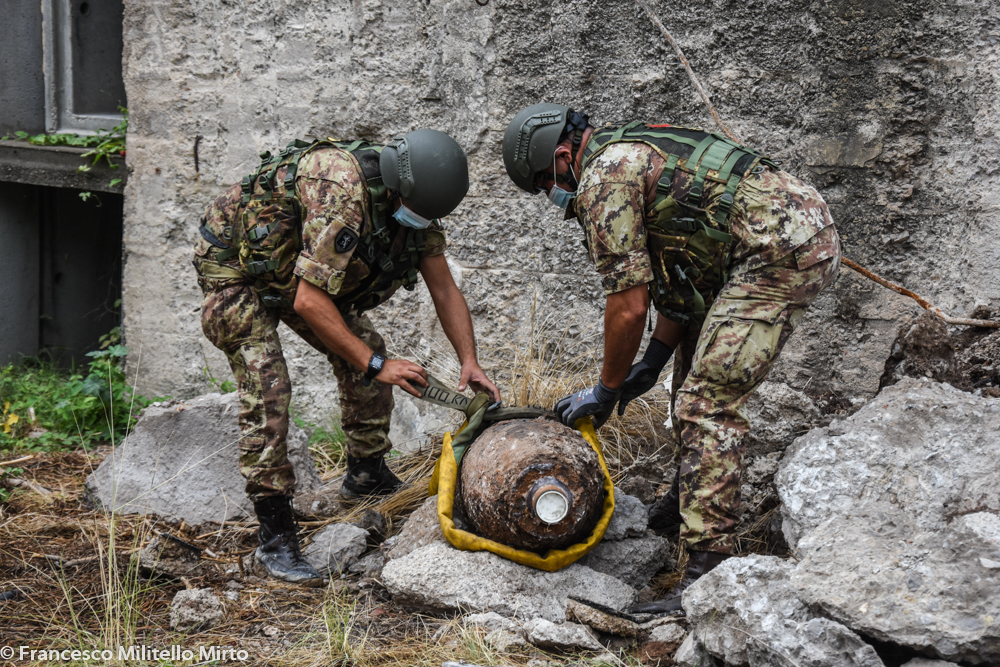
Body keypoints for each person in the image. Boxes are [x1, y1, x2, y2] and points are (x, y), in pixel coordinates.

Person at [502, 104, 840, 614]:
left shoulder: (603, 178)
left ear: (565, 155)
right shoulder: (632, 149)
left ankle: (708, 572)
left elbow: (628, 303)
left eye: (542, 184)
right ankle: (687, 503)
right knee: (690, 379)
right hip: (769, 240)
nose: (548, 196)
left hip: (778, 252)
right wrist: (655, 359)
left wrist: (606, 388)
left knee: (705, 404)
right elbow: (684, 281)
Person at [194, 129, 500, 586]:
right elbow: (308, 302)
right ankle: (274, 536)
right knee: (268, 384)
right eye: (415, 213)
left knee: (367, 351)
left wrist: (469, 361)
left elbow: (443, 286)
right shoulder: (341, 196)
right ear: (398, 187)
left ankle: (366, 473)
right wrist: (378, 367)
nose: (419, 221)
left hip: (292, 274)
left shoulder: (417, 201)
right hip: (235, 267)